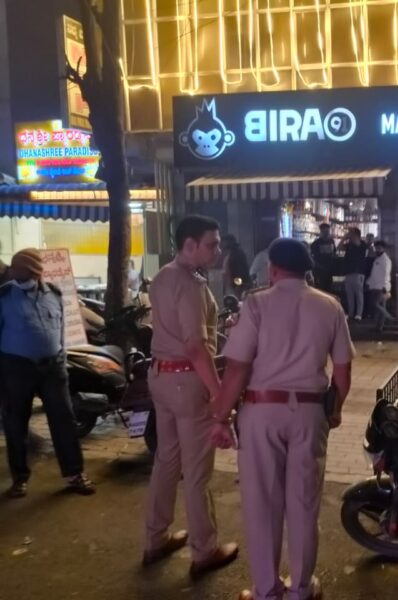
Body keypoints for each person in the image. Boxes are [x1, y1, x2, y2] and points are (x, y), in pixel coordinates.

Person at [209, 238, 355, 600]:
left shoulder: (256, 303)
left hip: (261, 412)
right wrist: (335, 410)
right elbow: (342, 371)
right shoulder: (330, 306)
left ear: (273, 268)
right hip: (310, 412)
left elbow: (238, 367)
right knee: (304, 503)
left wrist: (220, 417)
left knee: (262, 504)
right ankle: (301, 589)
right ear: (306, 270)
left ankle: (266, 590)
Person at [143, 215, 239, 577]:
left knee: (167, 460)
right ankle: (205, 550)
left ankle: (155, 538)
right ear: (189, 244)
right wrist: (219, 395)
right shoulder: (191, 283)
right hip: (187, 381)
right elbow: (196, 346)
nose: (217, 251)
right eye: (211, 244)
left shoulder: (162, 276)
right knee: (197, 472)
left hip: (160, 376)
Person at [0, 249, 95, 498]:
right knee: (16, 424)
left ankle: (75, 474)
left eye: (18, 269)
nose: (14, 273)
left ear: (32, 271)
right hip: (17, 369)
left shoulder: (54, 293)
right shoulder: (4, 296)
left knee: (64, 421)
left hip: (52, 368)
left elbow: (60, 328)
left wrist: (60, 357)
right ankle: (20, 479)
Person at [366, 241, 398, 333]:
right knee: (381, 307)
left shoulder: (385, 260)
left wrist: (385, 286)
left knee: (375, 304)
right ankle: (379, 327)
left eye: (379, 248)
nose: (377, 250)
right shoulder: (378, 259)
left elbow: (386, 274)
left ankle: (391, 318)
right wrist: (369, 283)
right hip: (375, 286)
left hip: (381, 287)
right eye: (376, 248)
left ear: (384, 249)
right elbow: (374, 274)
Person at [341, 227, 368, 320]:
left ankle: (359, 314)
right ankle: (351, 313)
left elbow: (357, 243)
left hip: (358, 272)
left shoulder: (362, 244)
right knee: (350, 294)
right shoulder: (349, 244)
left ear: (356, 235)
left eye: (351, 233)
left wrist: (348, 237)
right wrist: (344, 238)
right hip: (348, 272)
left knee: (359, 294)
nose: (349, 234)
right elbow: (338, 248)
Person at [222, 234, 251, 299]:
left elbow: (239, 272)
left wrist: (238, 286)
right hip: (233, 286)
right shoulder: (232, 253)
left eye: (224, 242)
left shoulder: (237, 253)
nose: (223, 244)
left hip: (238, 288)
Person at [310, 224, 336, 294]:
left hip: (329, 271)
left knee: (329, 290)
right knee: (320, 291)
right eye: (324, 231)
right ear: (321, 231)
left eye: (327, 231)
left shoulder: (331, 241)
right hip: (320, 271)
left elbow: (334, 253)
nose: (326, 233)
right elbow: (311, 256)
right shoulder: (316, 243)